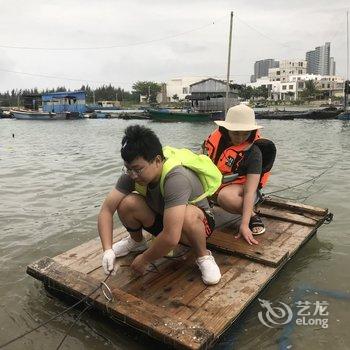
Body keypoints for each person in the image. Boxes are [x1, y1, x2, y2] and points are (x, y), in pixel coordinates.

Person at [98, 125, 222, 285]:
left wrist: (144, 259)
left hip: (197, 226)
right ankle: (136, 242)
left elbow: (171, 237)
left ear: (157, 161)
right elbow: (106, 210)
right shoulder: (131, 175)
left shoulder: (176, 178)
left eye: (137, 169)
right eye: (128, 169)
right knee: (127, 203)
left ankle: (203, 256)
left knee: (187, 214)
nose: (133, 175)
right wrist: (107, 250)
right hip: (166, 219)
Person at [203, 105, 276, 245]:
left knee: (225, 197)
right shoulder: (216, 139)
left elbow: (250, 190)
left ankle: (252, 216)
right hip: (218, 182)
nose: (240, 137)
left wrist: (244, 224)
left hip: (243, 188)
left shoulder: (254, 152)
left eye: (245, 133)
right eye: (236, 133)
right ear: (227, 129)